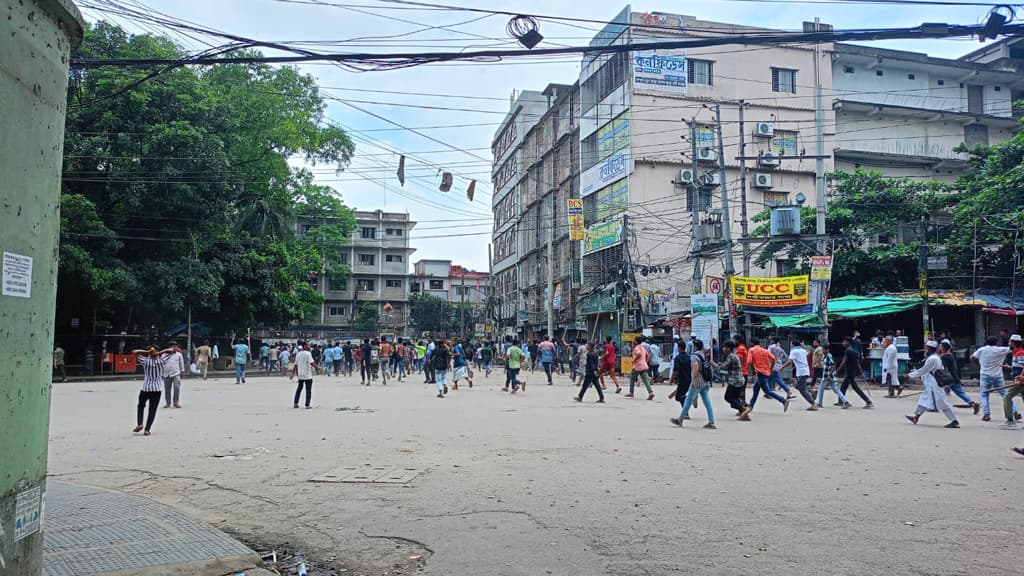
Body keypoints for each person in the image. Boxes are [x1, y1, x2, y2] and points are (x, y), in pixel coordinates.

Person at [905, 340, 960, 428]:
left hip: (935, 384)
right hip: (931, 384)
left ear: (929, 348)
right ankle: (916, 417)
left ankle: (954, 421)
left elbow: (923, 370)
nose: (925, 349)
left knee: (942, 402)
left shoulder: (933, 359)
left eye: (926, 347)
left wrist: (909, 375)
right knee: (924, 399)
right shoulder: (934, 357)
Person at [671, 339, 716, 429]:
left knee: (688, 400)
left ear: (695, 346)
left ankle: (680, 419)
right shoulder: (703, 355)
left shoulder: (694, 356)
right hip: (705, 381)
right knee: (707, 402)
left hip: (698, 381)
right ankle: (711, 421)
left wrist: (693, 381)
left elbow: (695, 368)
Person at [131, 346, 175, 435]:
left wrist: (148, 352)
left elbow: (134, 351)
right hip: (157, 389)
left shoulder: (146, 361)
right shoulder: (162, 361)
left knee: (140, 406)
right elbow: (171, 350)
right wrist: (158, 353)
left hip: (146, 388)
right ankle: (147, 429)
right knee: (152, 409)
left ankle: (140, 423)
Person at [972, 336, 1015, 422]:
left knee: (984, 395)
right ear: (996, 342)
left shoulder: (982, 350)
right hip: (998, 375)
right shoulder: (1001, 350)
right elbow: (1012, 349)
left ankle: (986, 414)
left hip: (985, 375)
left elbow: (973, 357)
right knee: (1005, 395)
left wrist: (980, 362)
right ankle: (1015, 412)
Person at [746, 338, 790, 413]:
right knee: (755, 388)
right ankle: (751, 406)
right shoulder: (765, 350)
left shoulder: (751, 350)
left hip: (760, 372)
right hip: (766, 372)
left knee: (767, 391)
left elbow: (749, 361)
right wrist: (770, 368)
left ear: (752, 343)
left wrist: (750, 365)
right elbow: (773, 359)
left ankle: (783, 400)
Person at [938, 340, 979, 414]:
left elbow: (944, 368)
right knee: (960, 392)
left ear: (943, 348)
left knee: (938, 392)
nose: (939, 347)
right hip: (954, 377)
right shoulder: (950, 355)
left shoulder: (944, 357)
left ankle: (937, 407)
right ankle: (972, 403)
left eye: (940, 346)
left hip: (948, 378)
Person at [836, 336, 873, 409]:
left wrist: (836, 372)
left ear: (848, 343)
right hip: (851, 372)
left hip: (850, 373)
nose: (843, 343)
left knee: (856, 388)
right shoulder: (852, 351)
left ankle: (868, 401)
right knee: (843, 387)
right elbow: (857, 363)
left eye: (844, 341)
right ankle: (841, 401)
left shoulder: (848, 351)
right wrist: (861, 372)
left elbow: (843, 362)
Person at [720, 341, 750, 420]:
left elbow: (723, 366)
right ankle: (744, 414)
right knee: (735, 398)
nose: (723, 349)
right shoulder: (734, 356)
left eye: (725, 347)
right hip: (740, 379)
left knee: (728, 397)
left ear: (729, 348)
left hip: (735, 380)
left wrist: (714, 365)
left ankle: (744, 409)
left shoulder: (731, 356)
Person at [783, 338, 815, 409]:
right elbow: (805, 356)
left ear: (793, 344)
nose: (790, 345)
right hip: (805, 371)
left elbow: (790, 361)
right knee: (799, 386)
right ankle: (811, 391)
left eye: (791, 343)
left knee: (802, 390)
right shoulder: (803, 350)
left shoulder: (793, 351)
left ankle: (813, 404)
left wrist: (782, 367)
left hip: (801, 372)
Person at [814, 345, 850, 409]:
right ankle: (846, 402)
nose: (823, 351)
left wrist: (829, 375)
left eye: (824, 350)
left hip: (827, 376)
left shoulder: (828, 356)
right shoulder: (826, 356)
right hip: (828, 375)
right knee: (835, 389)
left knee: (821, 389)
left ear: (827, 350)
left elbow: (834, 365)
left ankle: (820, 403)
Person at [1002, 335, 1024, 429]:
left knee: (1007, 397)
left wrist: (1021, 377)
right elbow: (1019, 367)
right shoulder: (1016, 353)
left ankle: (1010, 421)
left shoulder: (1020, 353)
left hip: (1020, 381)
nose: (1008, 344)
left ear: (1013, 343)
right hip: (1019, 380)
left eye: (1009, 342)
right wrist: (1010, 368)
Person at [290, 341, 319, 409]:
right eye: (308, 345)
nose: (310, 347)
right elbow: (312, 363)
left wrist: (293, 373)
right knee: (308, 390)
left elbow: (295, 365)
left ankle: (295, 403)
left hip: (300, 375)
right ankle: (307, 405)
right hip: (307, 375)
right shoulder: (308, 354)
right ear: (305, 346)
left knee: (299, 389)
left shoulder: (298, 354)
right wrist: (318, 367)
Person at [626, 336, 654, 400]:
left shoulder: (636, 348)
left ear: (636, 341)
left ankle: (631, 392)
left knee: (632, 378)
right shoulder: (643, 348)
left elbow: (639, 354)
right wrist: (645, 361)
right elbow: (648, 355)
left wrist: (634, 360)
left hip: (637, 366)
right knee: (646, 380)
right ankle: (650, 393)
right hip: (644, 366)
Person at [162, 343, 185, 409]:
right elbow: (161, 363)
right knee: (167, 389)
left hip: (176, 373)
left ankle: (176, 402)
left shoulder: (179, 355)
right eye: (173, 347)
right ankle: (168, 403)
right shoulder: (164, 354)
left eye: (175, 347)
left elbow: (181, 363)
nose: (174, 348)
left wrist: (182, 371)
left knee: (177, 387)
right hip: (166, 374)